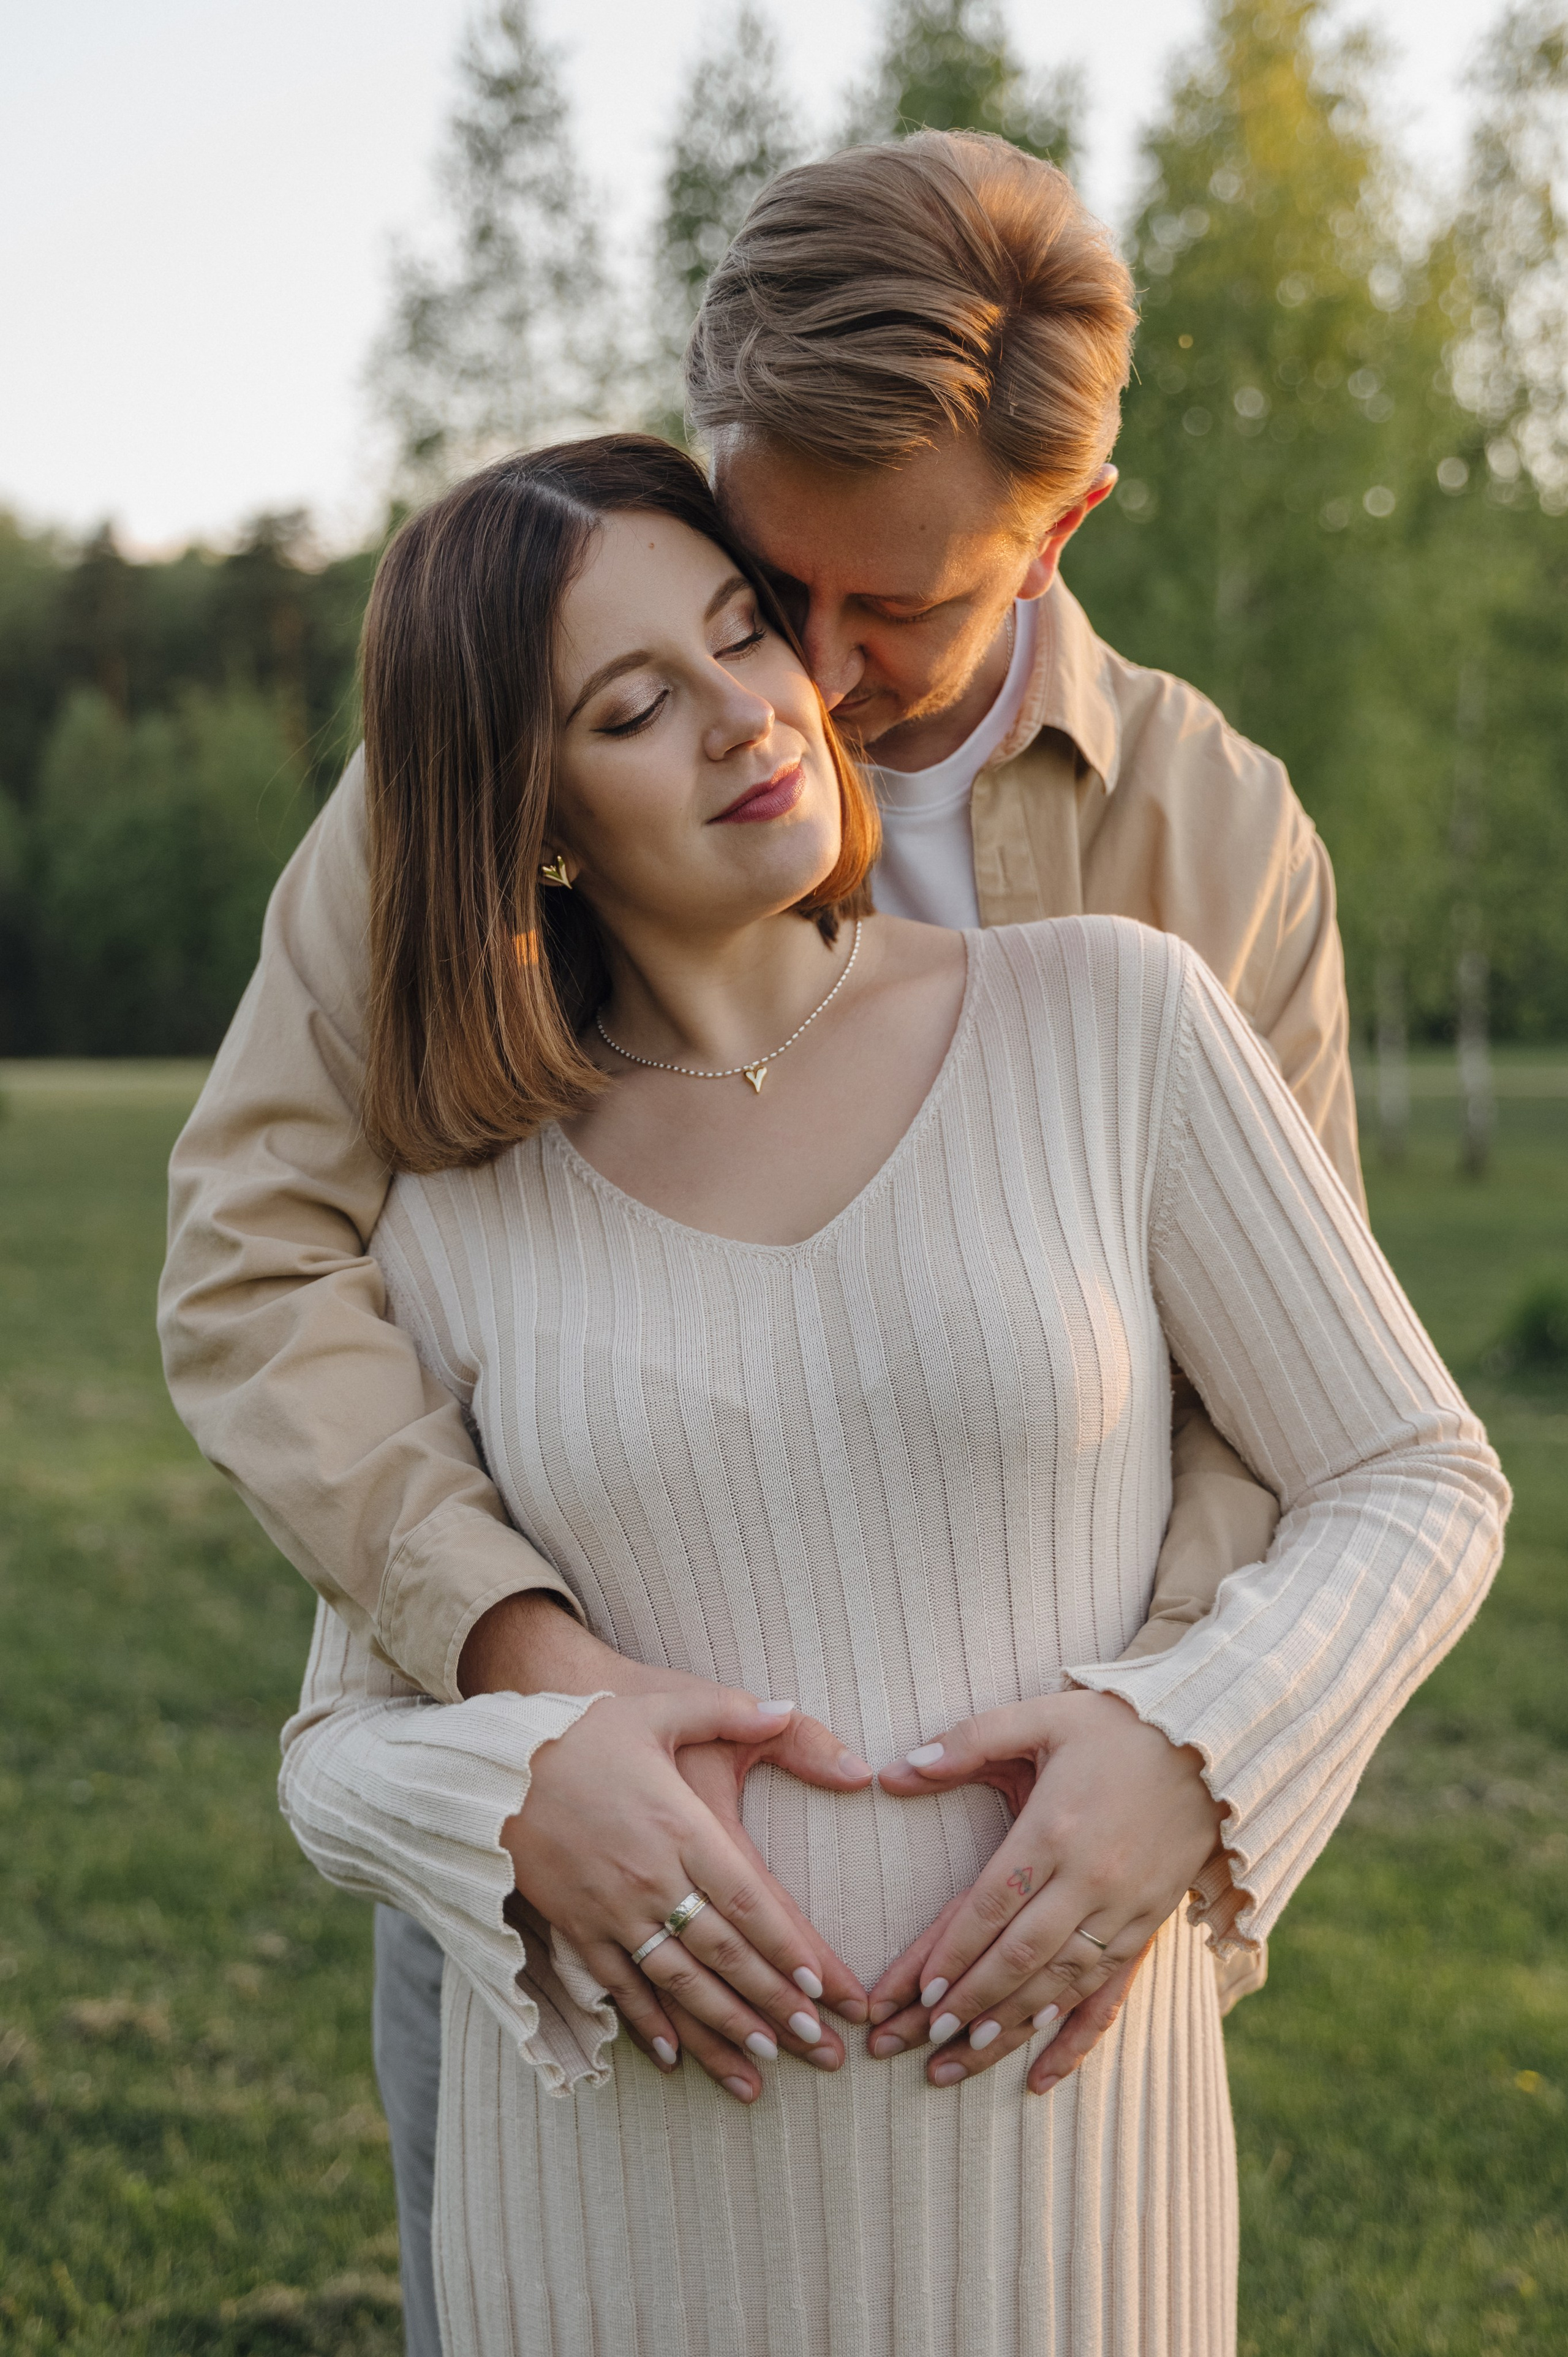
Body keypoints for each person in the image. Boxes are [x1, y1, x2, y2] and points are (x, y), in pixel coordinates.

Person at [160, 134, 1360, 2348]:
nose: (806, 667)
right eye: (759, 565)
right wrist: (527, 1685)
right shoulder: (501, 749)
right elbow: (256, 1256)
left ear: (1063, 524)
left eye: (891, 603)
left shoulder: (1204, 844)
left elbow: (1286, 1405)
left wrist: (1168, 1750)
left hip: (1043, 1979)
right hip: (568, 1940)